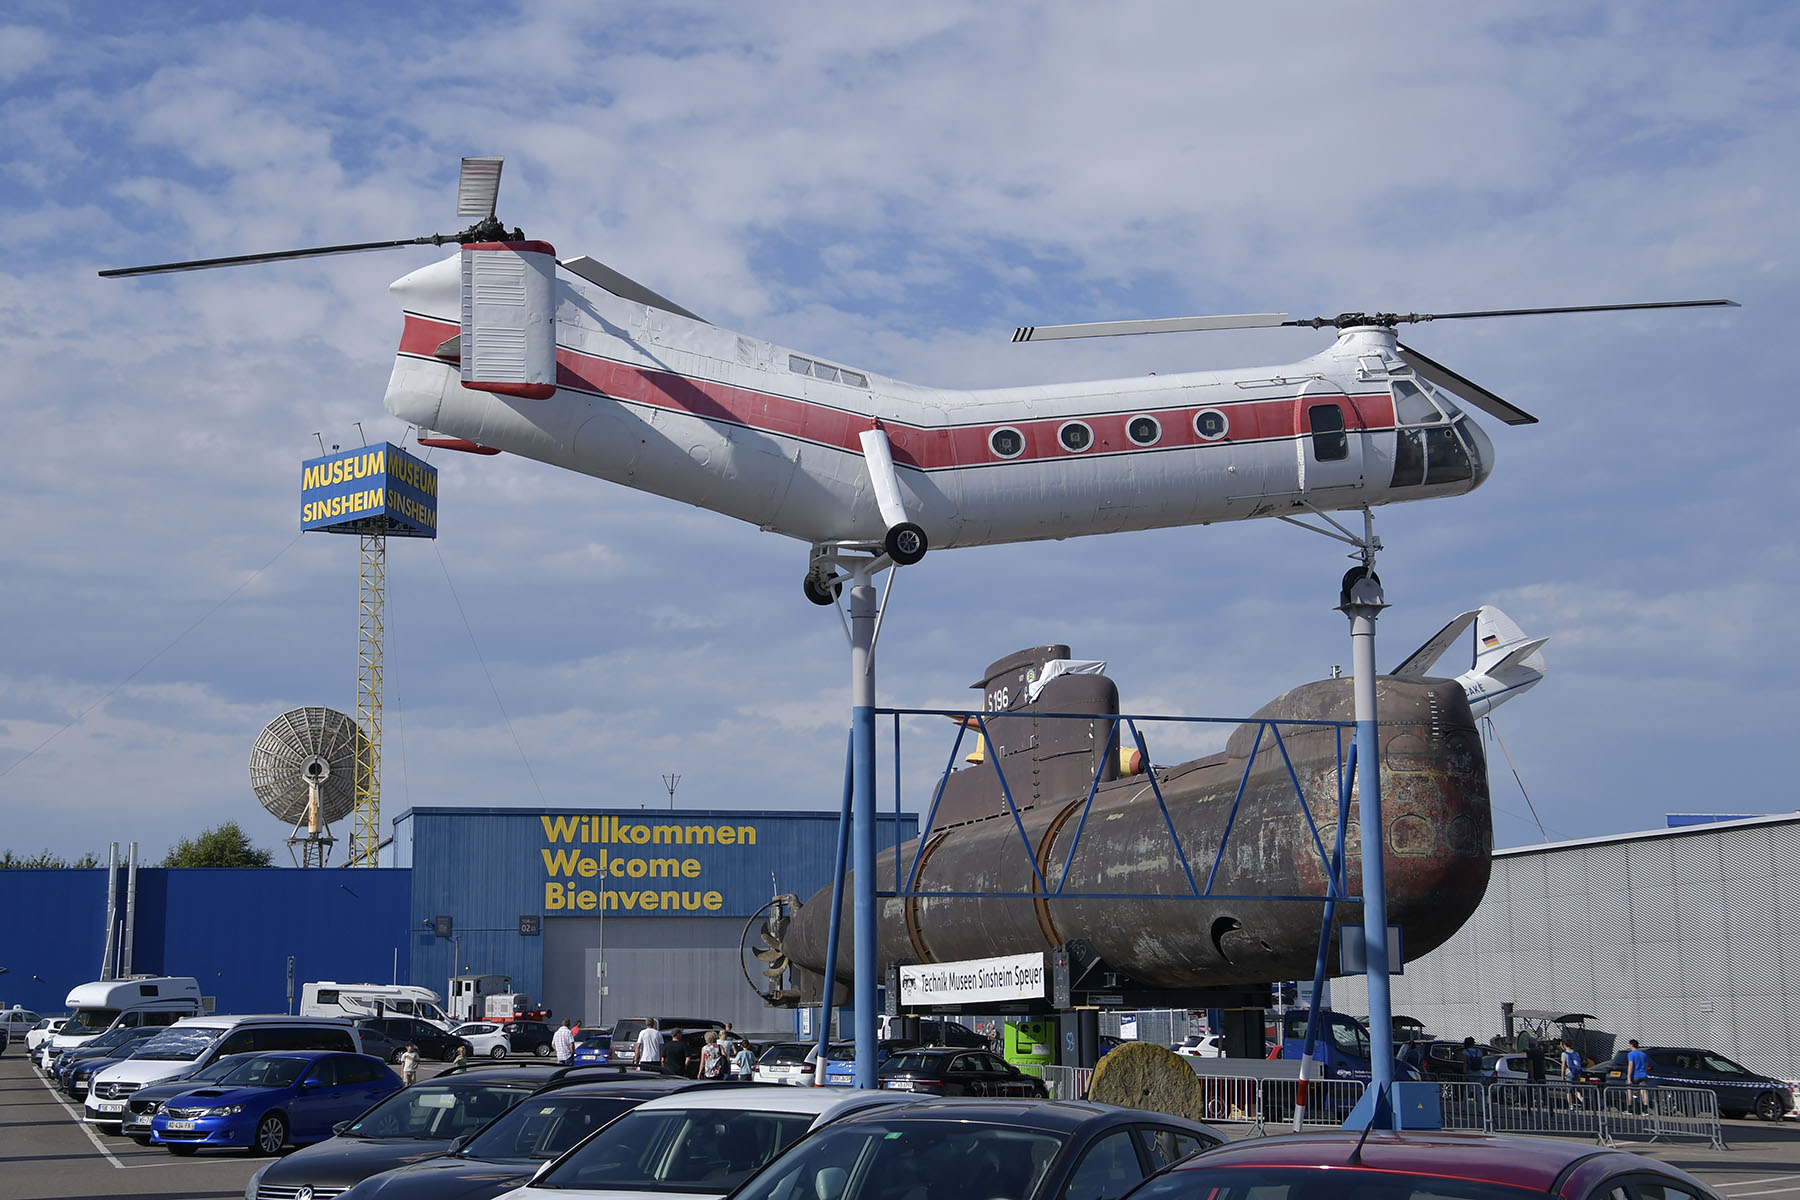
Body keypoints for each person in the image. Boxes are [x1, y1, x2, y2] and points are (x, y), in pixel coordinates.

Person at [1626, 1038, 1652, 1113]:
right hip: (1643, 1075)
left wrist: (1628, 1077)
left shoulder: (1631, 1054)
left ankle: (1630, 1108)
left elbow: (1631, 1065)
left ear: (1631, 1045)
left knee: (1629, 1090)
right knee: (1644, 1091)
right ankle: (1645, 1109)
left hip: (1635, 1075)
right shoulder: (1643, 1054)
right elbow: (1646, 1065)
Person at [1561, 1039, 1586, 1109]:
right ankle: (1581, 1098)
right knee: (1576, 1089)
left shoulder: (1564, 1054)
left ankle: (1571, 1106)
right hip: (1577, 1073)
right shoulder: (1576, 1053)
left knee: (1568, 1090)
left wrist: (1562, 1076)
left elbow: (1563, 1065)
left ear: (1564, 1045)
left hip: (1569, 1073)